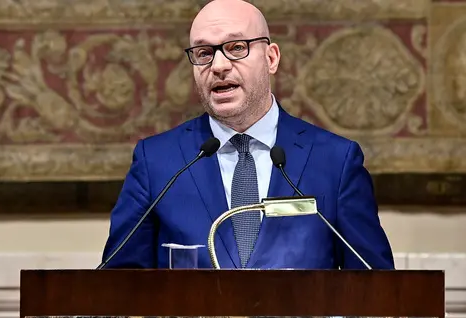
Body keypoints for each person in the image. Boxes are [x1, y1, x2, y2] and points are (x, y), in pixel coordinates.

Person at [100, 0, 394, 270]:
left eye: (236, 47)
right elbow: (120, 286)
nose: (218, 66)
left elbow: (376, 289)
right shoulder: (157, 163)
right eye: (203, 53)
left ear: (271, 58)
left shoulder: (335, 161)